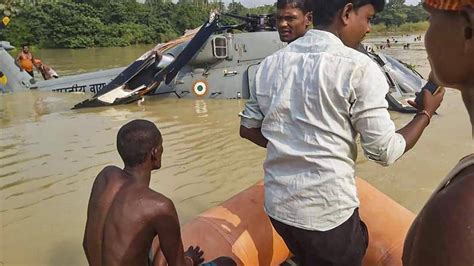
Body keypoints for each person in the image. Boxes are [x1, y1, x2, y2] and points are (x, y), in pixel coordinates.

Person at [239, 0, 445, 265]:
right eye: (368, 18)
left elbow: (249, 127)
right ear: (347, 13)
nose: (369, 29)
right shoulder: (358, 67)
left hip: (279, 207)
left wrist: (293, 145)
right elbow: (384, 151)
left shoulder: (268, 65)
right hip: (325, 216)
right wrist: (425, 114)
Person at [83, 120, 235, 266]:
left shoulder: (105, 176)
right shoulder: (159, 206)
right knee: (227, 263)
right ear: (154, 153)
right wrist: (189, 259)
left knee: (159, 243)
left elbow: (87, 243)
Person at [403, 1, 474, 265]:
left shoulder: (461, 214)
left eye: (431, 21)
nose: (427, 38)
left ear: (468, 30)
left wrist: (426, 114)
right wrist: (434, 81)